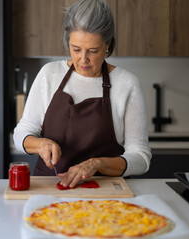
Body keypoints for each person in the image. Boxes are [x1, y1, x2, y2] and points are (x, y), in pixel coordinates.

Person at [13, 0, 151, 188]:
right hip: (50, 187)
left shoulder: (127, 84)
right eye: (76, 49)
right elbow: (22, 132)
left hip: (106, 194)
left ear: (108, 44)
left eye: (93, 51)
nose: (83, 59)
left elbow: (141, 157)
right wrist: (40, 144)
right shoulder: (49, 74)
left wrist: (98, 164)